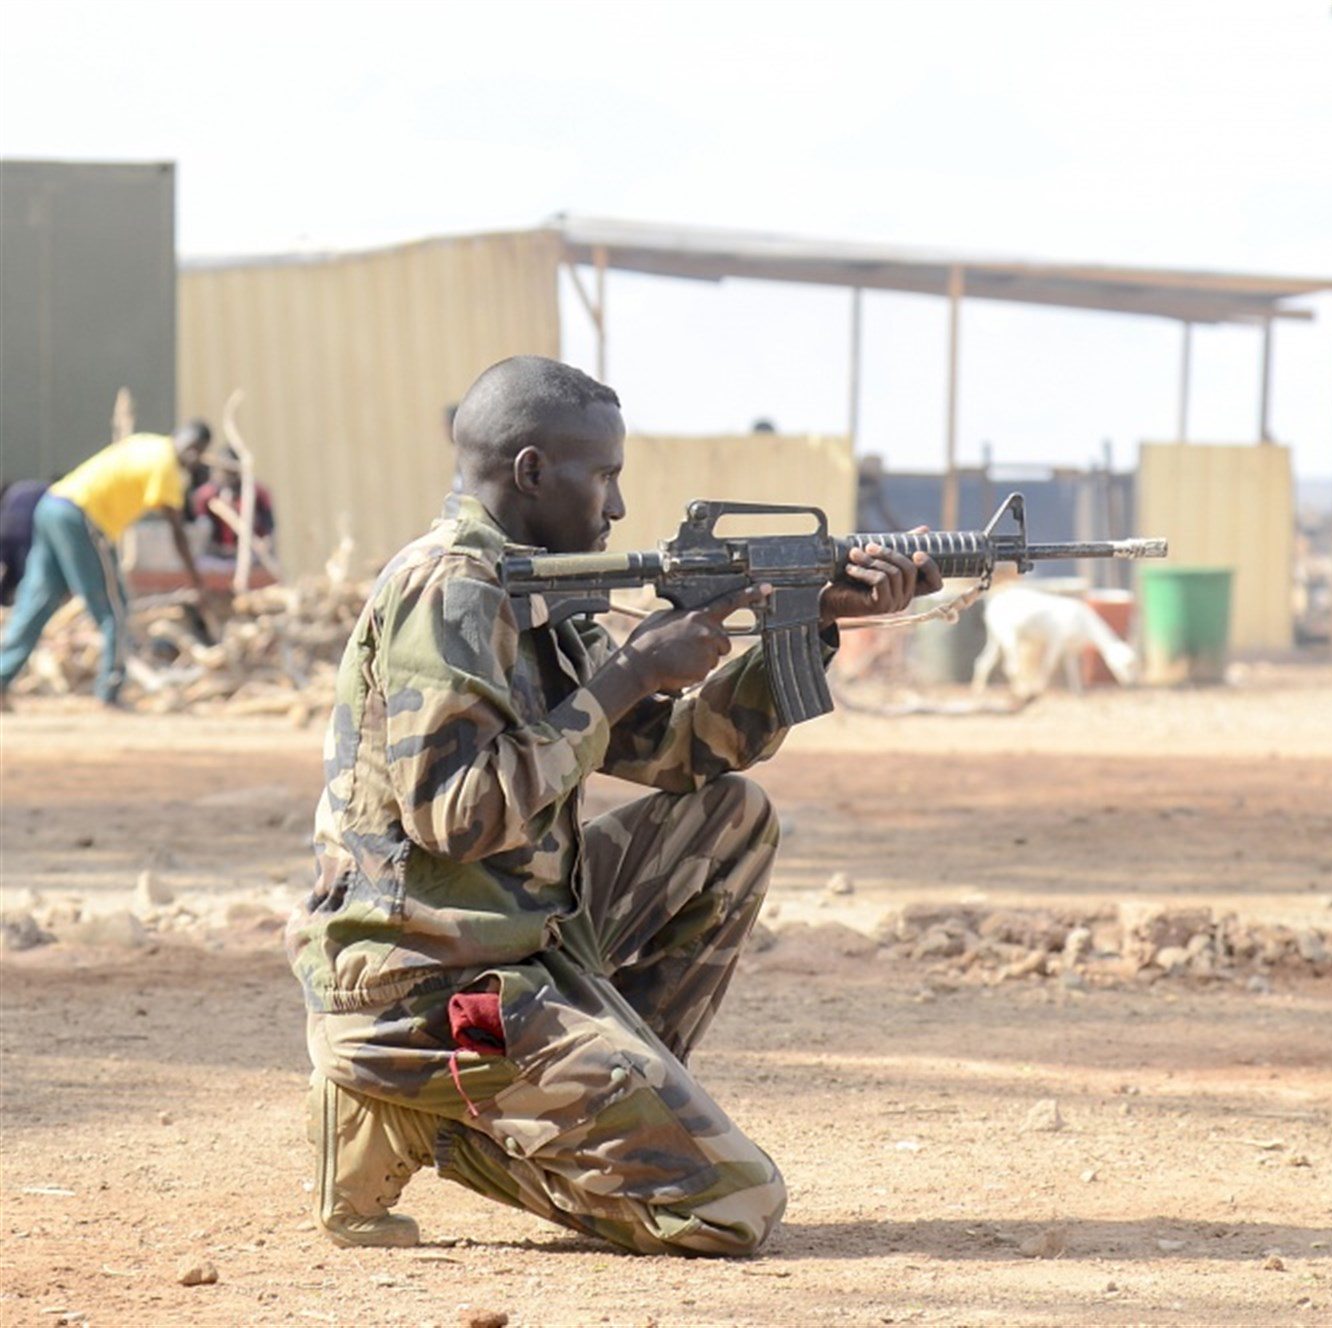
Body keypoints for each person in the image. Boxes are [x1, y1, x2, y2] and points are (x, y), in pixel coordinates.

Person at [286, 355, 939, 1255]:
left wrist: (813, 622)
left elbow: (682, 752)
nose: (619, 508)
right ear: (531, 472)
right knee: (732, 1209)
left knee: (730, 820)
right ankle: (429, 1120)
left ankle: (598, 1092)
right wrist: (630, 674)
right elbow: (457, 814)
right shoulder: (451, 590)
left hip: (523, 941)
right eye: (605, 477)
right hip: (428, 991)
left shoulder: (539, 585)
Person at [0, 422, 214, 710]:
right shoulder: (166, 466)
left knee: (37, 602)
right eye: (194, 451)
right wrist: (196, 579)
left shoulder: (145, 442)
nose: (192, 458)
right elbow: (176, 529)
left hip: (52, 504)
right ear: (191, 448)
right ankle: (110, 690)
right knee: (114, 609)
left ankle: (1, 679)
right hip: (83, 517)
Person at [187, 445, 277, 577]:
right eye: (223, 471)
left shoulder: (257, 493)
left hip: (250, 556)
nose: (226, 475)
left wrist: (264, 545)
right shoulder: (206, 496)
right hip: (217, 558)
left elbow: (269, 527)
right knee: (202, 565)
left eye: (231, 471)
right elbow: (201, 532)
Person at [0, 478, 52, 607]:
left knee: (11, 569)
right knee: (26, 574)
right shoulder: (51, 493)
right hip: (24, 534)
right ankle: (25, 606)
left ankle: (3, 601)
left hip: (4, 531)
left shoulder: (19, 487)